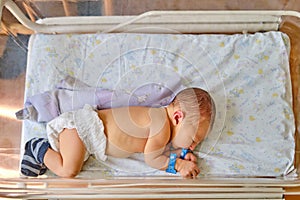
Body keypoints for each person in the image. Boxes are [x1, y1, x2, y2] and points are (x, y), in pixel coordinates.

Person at [21, 88, 215, 179]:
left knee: (69, 167)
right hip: (82, 129)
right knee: (68, 171)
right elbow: (152, 158)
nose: (193, 146)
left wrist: (180, 154)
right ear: (178, 118)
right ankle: (38, 148)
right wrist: (179, 164)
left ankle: (42, 159)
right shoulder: (160, 123)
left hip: (87, 140)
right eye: (193, 139)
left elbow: (158, 151)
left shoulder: (163, 129)